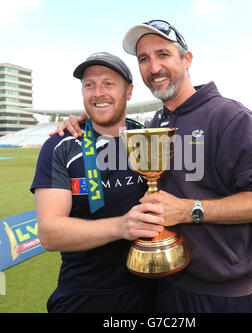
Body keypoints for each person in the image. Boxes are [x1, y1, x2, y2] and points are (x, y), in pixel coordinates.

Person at [54, 20, 252, 313]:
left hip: (222, 295)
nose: (154, 68)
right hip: (164, 284)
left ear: (186, 59)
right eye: (143, 59)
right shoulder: (155, 123)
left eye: (163, 54)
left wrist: (190, 210)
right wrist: (88, 118)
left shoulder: (231, 117)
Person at [30, 52, 165, 313]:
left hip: (153, 293)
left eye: (108, 83)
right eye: (89, 84)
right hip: (84, 297)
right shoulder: (59, 147)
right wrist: (121, 226)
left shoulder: (149, 141)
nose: (97, 92)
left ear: (129, 91)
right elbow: (49, 233)